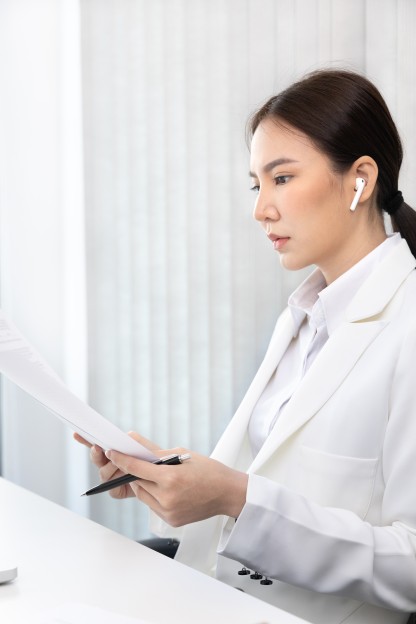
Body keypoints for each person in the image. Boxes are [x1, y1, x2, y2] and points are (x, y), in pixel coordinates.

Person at [75, 69, 416, 624]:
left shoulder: (407, 327)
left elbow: (410, 565)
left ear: (360, 179)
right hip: (222, 599)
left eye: (281, 178)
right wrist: (165, 478)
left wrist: (235, 497)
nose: (261, 209)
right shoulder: (304, 316)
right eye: (257, 185)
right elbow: (268, 483)